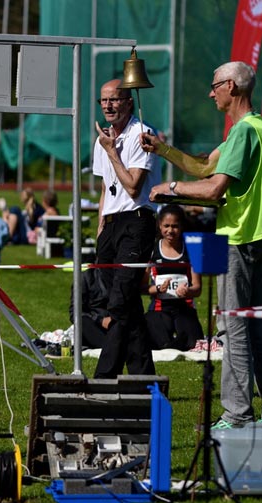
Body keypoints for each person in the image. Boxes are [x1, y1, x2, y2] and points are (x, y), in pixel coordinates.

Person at [141, 61, 262, 428]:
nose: (211, 93)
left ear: (232, 87)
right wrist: (164, 151)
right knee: (256, 326)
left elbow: (213, 187)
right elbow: (206, 166)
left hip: (240, 238)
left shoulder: (242, 132)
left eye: (215, 86)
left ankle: (237, 415)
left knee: (232, 329)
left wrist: (169, 189)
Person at [92, 78, 163, 378]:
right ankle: (143, 375)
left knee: (121, 300)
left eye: (114, 99)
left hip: (137, 219)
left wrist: (112, 151)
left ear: (129, 102)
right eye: (103, 100)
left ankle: (103, 377)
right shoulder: (103, 139)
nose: (108, 105)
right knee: (123, 301)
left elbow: (133, 187)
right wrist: (100, 225)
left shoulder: (142, 134)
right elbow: (105, 189)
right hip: (112, 223)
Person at [143, 205, 204, 351]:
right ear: (159, 225)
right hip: (159, 309)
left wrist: (187, 291)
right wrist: (157, 289)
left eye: (175, 226)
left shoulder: (191, 249)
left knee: (193, 344)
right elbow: (142, 287)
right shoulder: (151, 250)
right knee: (159, 343)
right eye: (166, 226)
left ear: (182, 226)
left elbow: (197, 288)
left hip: (184, 307)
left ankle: (180, 339)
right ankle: (168, 341)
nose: (170, 231)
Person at [69, 267, 111, 349]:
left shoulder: (123, 277)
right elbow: (74, 312)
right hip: (94, 324)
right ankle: (109, 346)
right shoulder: (85, 277)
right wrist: (101, 320)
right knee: (81, 320)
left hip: (117, 322)